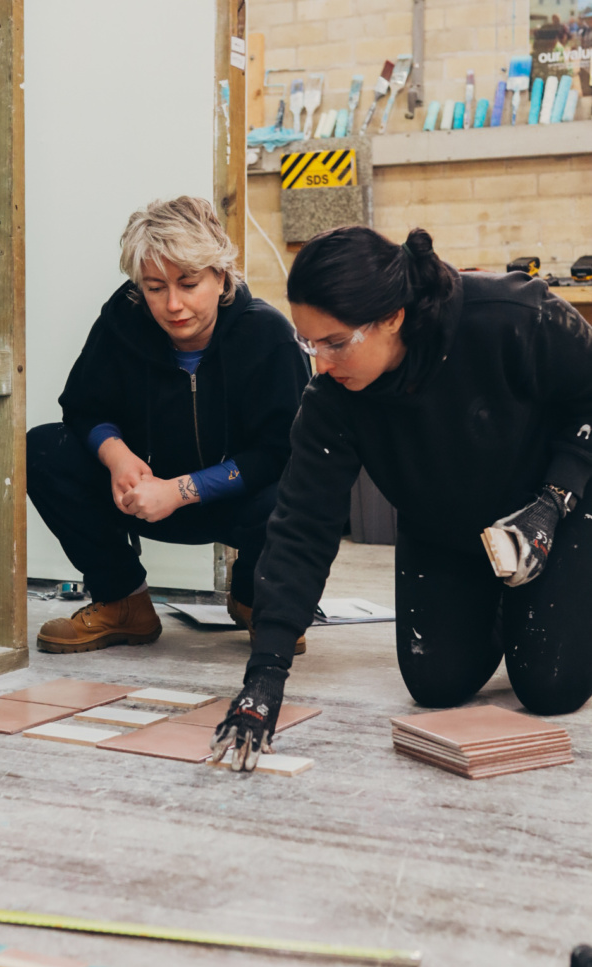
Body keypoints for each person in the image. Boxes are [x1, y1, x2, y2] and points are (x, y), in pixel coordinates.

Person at [211, 224, 592, 771]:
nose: (319, 362)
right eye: (308, 341)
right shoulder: (333, 397)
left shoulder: (512, 317)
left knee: (551, 687)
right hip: (445, 528)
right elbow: (302, 525)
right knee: (436, 684)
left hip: (554, 513)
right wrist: (264, 674)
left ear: (393, 318)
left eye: (335, 342)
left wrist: (555, 500)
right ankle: (504, 604)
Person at [27, 196, 310, 655]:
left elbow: (282, 451)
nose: (172, 305)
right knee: (42, 449)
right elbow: (81, 407)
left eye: (188, 283)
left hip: (237, 502)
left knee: (299, 486)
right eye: (155, 287)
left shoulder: (268, 336)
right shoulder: (122, 319)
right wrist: (116, 455)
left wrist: (180, 490)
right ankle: (123, 602)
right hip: (141, 495)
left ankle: (257, 598)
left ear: (221, 276)